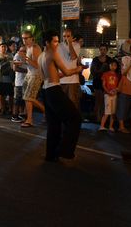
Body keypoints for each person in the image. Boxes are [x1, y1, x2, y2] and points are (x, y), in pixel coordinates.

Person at [38, 30, 84, 162]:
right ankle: (65, 151)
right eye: (55, 41)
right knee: (75, 118)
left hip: (46, 91)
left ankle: (51, 155)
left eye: (58, 41)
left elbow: (44, 76)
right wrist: (78, 69)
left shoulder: (41, 56)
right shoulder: (52, 53)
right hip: (54, 90)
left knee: (54, 124)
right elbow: (66, 71)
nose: (57, 44)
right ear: (47, 42)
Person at [20, 30, 45, 127]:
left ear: (32, 38)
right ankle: (31, 117)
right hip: (29, 74)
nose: (24, 40)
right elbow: (28, 63)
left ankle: (30, 119)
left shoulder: (35, 48)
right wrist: (22, 61)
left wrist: (25, 58)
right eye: (23, 38)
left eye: (26, 38)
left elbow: (36, 65)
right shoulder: (28, 47)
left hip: (36, 75)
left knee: (29, 97)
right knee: (28, 98)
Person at [59, 28, 81, 111]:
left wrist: (70, 44)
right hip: (61, 79)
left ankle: (73, 121)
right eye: (64, 36)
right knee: (62, 103)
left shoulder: (76, 45)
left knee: (73, 103)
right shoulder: (58, 46)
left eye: (68, 36)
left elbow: (73, 57)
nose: (66, 38)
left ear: (72, 37)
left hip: (72, 80)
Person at [90, 43, 112, 121]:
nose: (103, 51)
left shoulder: (110, 60)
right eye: (101, 49)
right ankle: (97, 117)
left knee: (105, 101)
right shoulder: (95, 59)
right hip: (97, 82)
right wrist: (102, 70)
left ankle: (103, 118)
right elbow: (93, 71)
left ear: (107, 50)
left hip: (106, 83)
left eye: (104, 50)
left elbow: (112, 71)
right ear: (99, 50)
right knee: (98, 100)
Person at [0, 42, 14, 115]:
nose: (3, 48)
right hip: (1, 78)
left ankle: (11, 109)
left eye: (4, 46)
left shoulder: (11, 55)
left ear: (6, 47)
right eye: (2, 47)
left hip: (10, 78)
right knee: (1, 94)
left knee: (11, 95)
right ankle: (2, 108)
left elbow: (13, 66)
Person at [99, 60, 120, 132]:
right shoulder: (105, 74)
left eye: (115, 65)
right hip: (107, 95)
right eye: (112, 65)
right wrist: (108, 92)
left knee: (113, 112)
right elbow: (103, 85)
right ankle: (102, 126)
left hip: (114, 94)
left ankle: (111, 126)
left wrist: (115, 91)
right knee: (107, 111)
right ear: (109, 65)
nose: (113, 66)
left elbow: (118, 86)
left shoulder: (117, 75)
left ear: (117, 67)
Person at [11, 45, 27, 122]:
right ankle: (14, 116)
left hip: (26, 81)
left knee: (23, 100)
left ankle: (21, 114)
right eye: (22, 51)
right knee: (17, 99)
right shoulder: (17, 56)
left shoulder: (27, 56)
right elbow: (15, 68)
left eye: (25, 51)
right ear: (19, 51)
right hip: (19, 82)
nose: (23, 52)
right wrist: (27, 71)